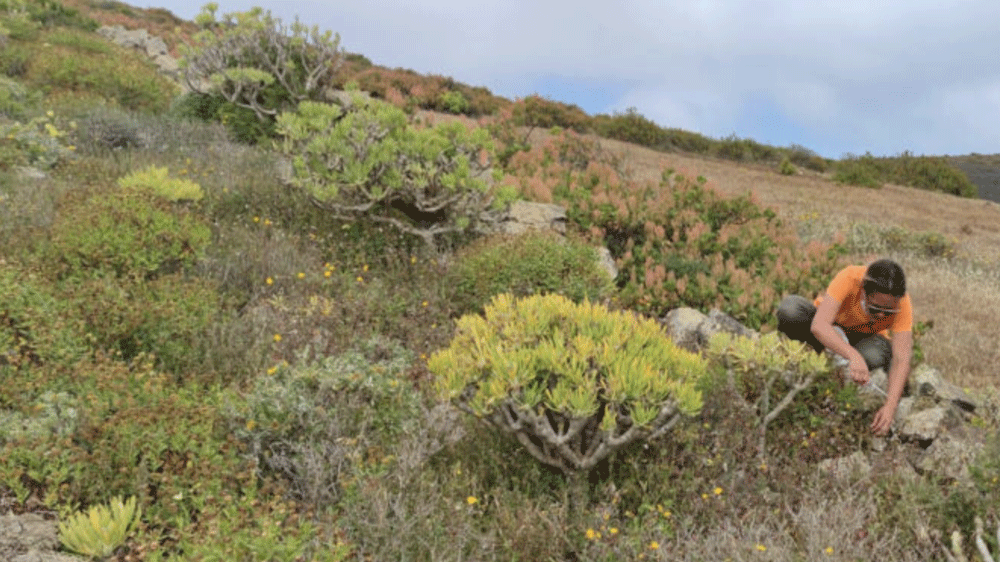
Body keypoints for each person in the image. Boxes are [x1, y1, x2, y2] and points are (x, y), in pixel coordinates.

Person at [775, 258, 912, 435]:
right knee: (790, 309)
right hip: (827, 330)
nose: (881, 315)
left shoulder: (902, 302)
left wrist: (890, 408)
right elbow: (819, 325)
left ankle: (836, 359)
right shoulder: (849, 277)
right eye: (875, 308)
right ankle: (824, 353)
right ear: (864, 292)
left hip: (865, 339)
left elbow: (901, 359)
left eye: (888, 312)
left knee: (875, 356)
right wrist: (852, 356)